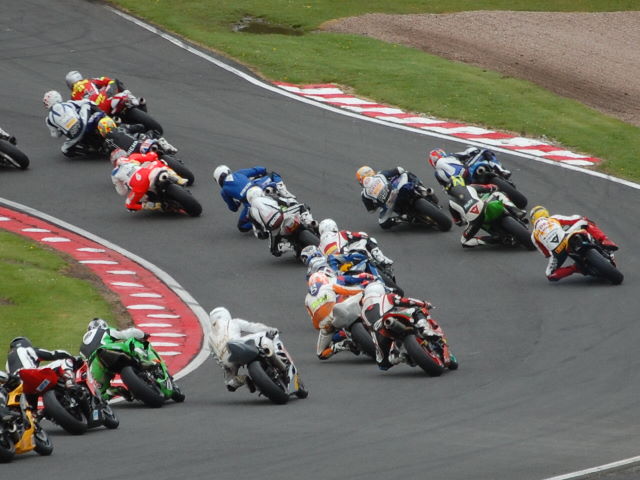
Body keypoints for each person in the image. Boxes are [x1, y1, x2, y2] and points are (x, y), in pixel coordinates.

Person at [529, 205, 618, 281]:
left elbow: (546, 254)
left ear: (533, 220)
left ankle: (575, 268)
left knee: (550, 275)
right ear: (545, 213)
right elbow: (574, 219)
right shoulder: (553, 218)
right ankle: (604, 240)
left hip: (557, 252)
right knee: (584, 221)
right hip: (566, 239)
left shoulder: (533, 235)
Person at [360, 282, 433, 370]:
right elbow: (408, 301)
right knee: (416, 310)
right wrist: (424, 304)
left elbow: (368, 330)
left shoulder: (362, 311)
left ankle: (399, 357)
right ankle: (424, 328)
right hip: (392, 319)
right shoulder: (386, 297)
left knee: (383, 364)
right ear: (381, 290)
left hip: (380, 333)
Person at [208, 306, 278, 392]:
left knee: (229, 382)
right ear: (226, 314)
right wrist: (270, 330)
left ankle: (241, 380)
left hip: (228, 361)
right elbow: (253, 327)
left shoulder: (209, 339)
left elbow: (217, 358)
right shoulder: (232, 322)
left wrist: (227, 369)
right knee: (264, 335)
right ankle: (271, 353)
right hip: (239, 346)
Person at [80, 318, 148, 399]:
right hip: (108, 350)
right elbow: (126, 334)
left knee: (101, 395)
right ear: (103, 325)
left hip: (95, 366)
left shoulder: (82, 347)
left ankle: (115, 391)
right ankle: (143, 360)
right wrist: (143, 335)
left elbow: (84, 366)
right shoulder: (104, 330)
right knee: (132, 340)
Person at [212, 165, 294, 232]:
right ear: (228, 170)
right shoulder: (239, 173)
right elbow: (260, 169)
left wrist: (237, 202)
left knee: (242, 226)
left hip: (249, 204)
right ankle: (285, 194)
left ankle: (262, 222)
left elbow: (233, 208)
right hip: (259, 186)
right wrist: (263, 173)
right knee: (273, 174)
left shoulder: (224, 191)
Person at [356, 165, 438, 229]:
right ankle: (423, 190)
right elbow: (399, 169)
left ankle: (402, 218)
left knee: (382, 223)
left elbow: (371, 210)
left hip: (390, 204)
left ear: (360, 181)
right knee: (406, 173)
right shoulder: (380, 174)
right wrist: (398, 173)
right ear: (372, 172)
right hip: (397, 190)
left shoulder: (364, 194)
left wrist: (378, 203)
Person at [5, 336, 77, 408]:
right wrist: (71, 357)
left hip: (22, 389)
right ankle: (69, 382)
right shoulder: (24, 349)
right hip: (31, 376)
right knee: (64, 360)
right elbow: (52, 354)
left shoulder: (7, 364)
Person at [247, 186, 315, 257]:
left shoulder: (250, 213)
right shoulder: (269, 197)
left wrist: (264, 234)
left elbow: (260, 232)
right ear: (260, 193)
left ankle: (290, 246)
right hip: (283, 215)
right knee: (302, 206)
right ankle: (311, 223)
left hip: (273, 229)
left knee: (274, 250)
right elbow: (287, 202)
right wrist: (293, 203)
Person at [110, 149, 187, 211]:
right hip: (149, 174)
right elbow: (151, 157)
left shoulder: (114, 174)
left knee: (129, 204)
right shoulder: (132, 157)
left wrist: (127, 185)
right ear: (125, 155)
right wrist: (155, 153)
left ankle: (156, 206)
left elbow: (122, 192)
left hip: (139, 188)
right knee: (158, 162)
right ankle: (178, 179)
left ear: (114, 162)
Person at [43, 90, 107, 157]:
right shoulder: (67, 104)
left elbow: (56, 135)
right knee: (87, 103)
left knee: (64, 150)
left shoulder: (48, 120)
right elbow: (84, 102)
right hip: (83, 124)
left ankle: (91, 153)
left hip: (75, 137)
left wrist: (61, 129)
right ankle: (105, 115)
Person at [317, 218, 393, 266]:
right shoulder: (341, 234)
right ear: (333, 227)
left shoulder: (319, 247)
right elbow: (361, 235)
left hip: (334, 267)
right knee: (367, 238)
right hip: (348, 257)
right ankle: (381, 259)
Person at [66, 70, 142, 117]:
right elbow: (107, 80)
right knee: (115, 81)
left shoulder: (73, 95)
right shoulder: (90, 81)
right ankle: (131, 97)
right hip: (105, 101)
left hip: (96, 112)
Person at [98, 116, 177, 155]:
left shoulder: (106, 143)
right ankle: (166, 147)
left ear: (102, 131)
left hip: (131, 158)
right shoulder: (122, 127)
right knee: (152, 132)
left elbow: (107, 153)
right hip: (140, 145)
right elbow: (140, 126)